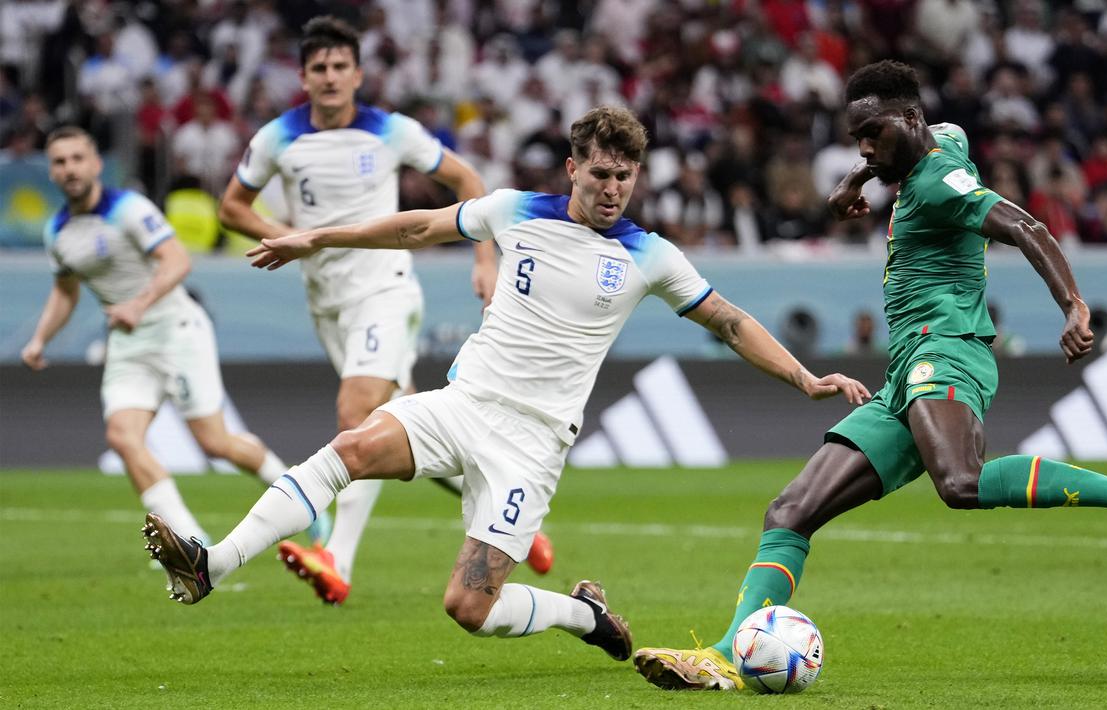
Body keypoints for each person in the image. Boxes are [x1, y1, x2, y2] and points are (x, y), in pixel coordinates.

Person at [141, 106, 870, 665]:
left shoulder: (649, 255)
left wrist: (806, 378)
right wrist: (317, 237)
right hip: (463, 404)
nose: (612, 188)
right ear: (572, 169)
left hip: (532, 444)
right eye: (600, 174)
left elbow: (731, 322)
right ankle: (213, 565)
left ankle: (583, 615)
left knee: (468, 607)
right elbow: (419, 227)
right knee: (351, 447)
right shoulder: (515, 210)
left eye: (625, 176)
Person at [632, 61, 1107, 691]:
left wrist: (1073, 305)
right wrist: (855, 179)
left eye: (872, 135)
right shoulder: (941, 142)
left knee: (960, 481)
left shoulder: (938, 183)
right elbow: (943, 131)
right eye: (857, 138)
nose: (864, 148)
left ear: (909, 120)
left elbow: (1025, 226)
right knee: (789, 512)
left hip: (949, 350)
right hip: (906, 370)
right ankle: (724, 657)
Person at [216, 16, 552, 605]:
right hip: (327, 301)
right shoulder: (278, 137)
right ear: (303, 77)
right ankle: (510, 510)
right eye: (319, 68)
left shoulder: (391, 131)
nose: (330, 77)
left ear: (358, 74)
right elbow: (231, 208)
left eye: (340, 66)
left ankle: (336, 559)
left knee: (358, 411)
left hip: (385, 290)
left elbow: (466, 179)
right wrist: (287, 235)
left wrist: (485, 259)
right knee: (406, 428)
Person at [22, 125, 298, 548]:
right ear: (51, 172)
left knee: (216, 443)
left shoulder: (129, 209)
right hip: (128, 342)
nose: (70, 168)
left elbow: (177, 261)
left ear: (95, 164)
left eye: (77, 158)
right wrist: (40, 339)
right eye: (60, 162)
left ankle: (298, 499)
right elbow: (66, 290)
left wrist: (138, 303)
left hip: (176, 330)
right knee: (122, 437)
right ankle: (191, 540)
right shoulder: (57, 231)